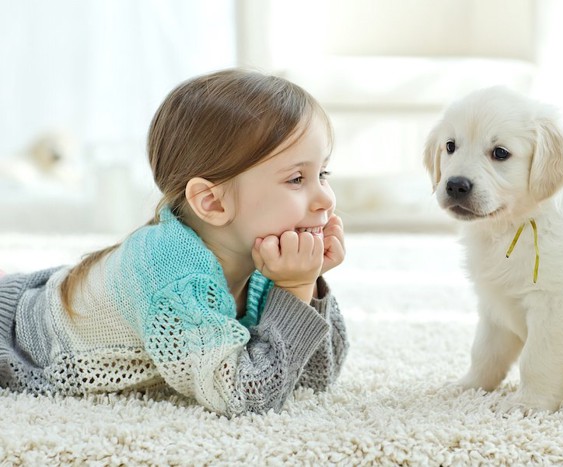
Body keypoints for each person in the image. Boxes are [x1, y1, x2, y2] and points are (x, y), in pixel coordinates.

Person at [0, 69, 348, 417]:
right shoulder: (172, 275)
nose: (325, 199)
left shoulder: (262, 255)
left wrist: (310, 286)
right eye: (297, 179)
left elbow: (313, 377)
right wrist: (294, 286)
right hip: (14, 341)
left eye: (323, 174)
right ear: (212, 202)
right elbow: (246, 397)